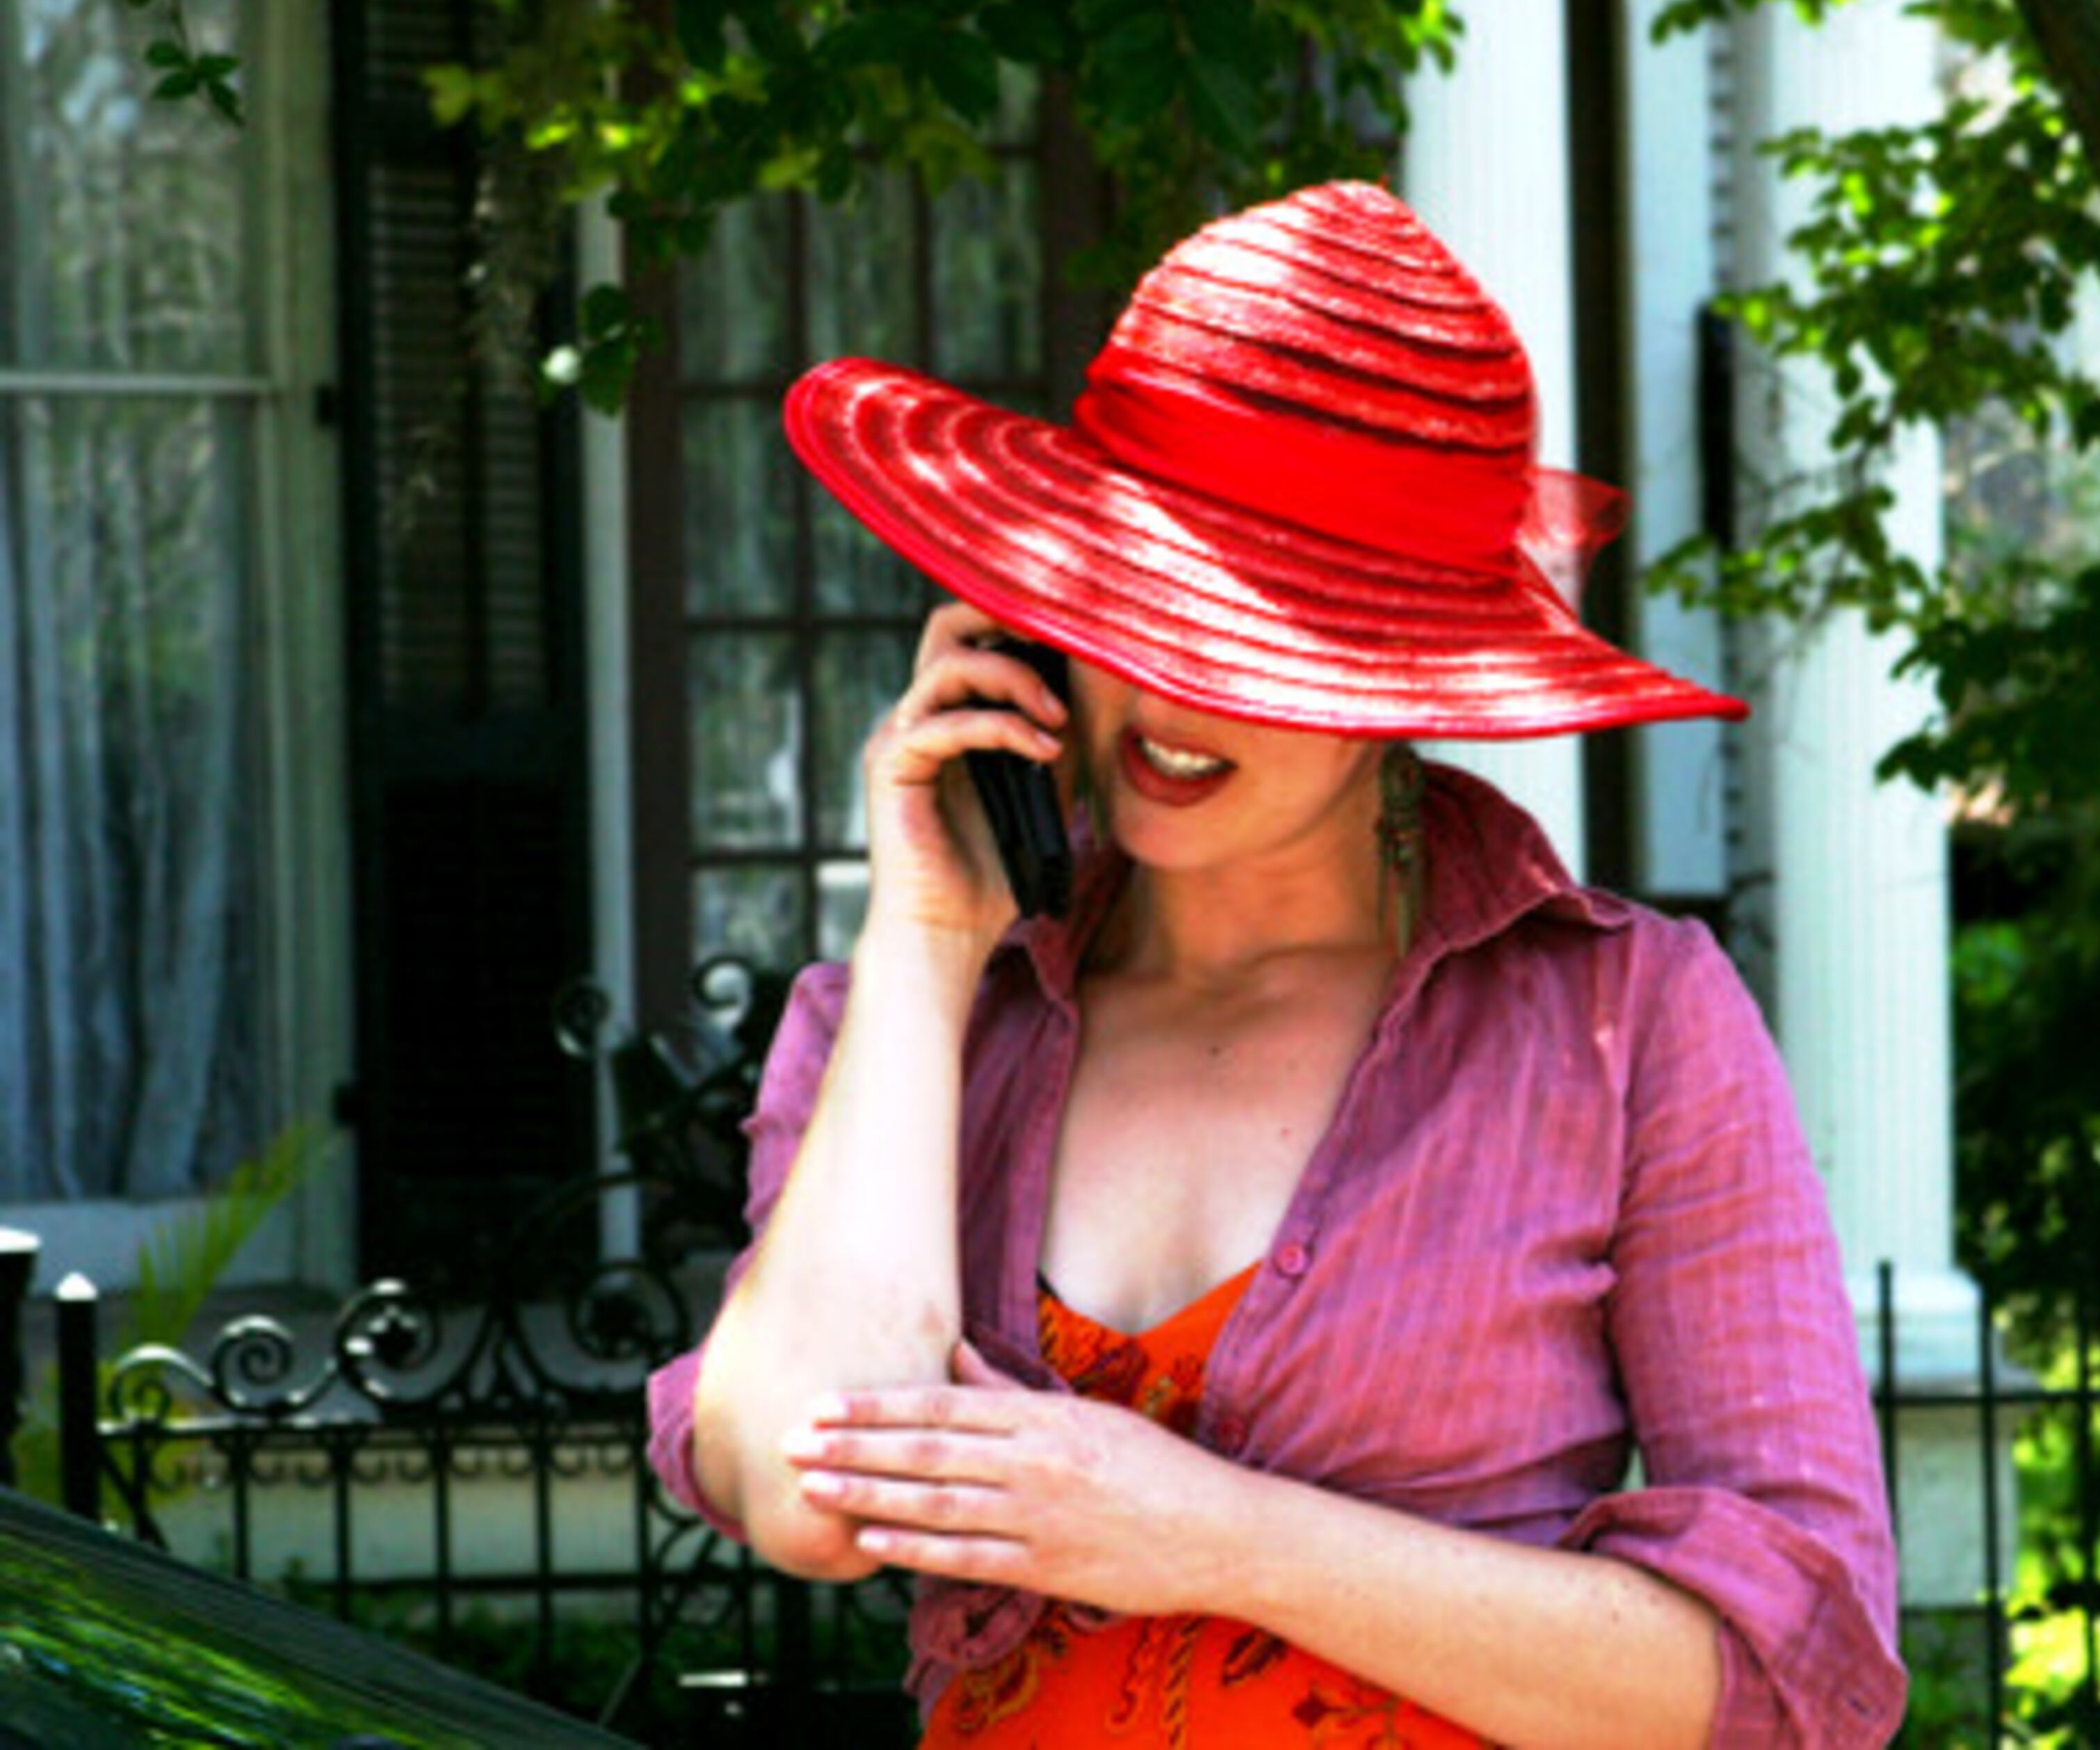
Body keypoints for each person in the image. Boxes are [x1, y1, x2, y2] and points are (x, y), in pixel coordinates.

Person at [645, 181, 1905, 1748]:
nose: (1173, 692)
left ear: (1407, 671)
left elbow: (1794, 1679)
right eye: (1134, 602)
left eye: (1260, 639)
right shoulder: (906, 1028)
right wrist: (929, 936)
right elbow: (798, 1489)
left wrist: (1215, 1534)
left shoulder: (1622, 1023)